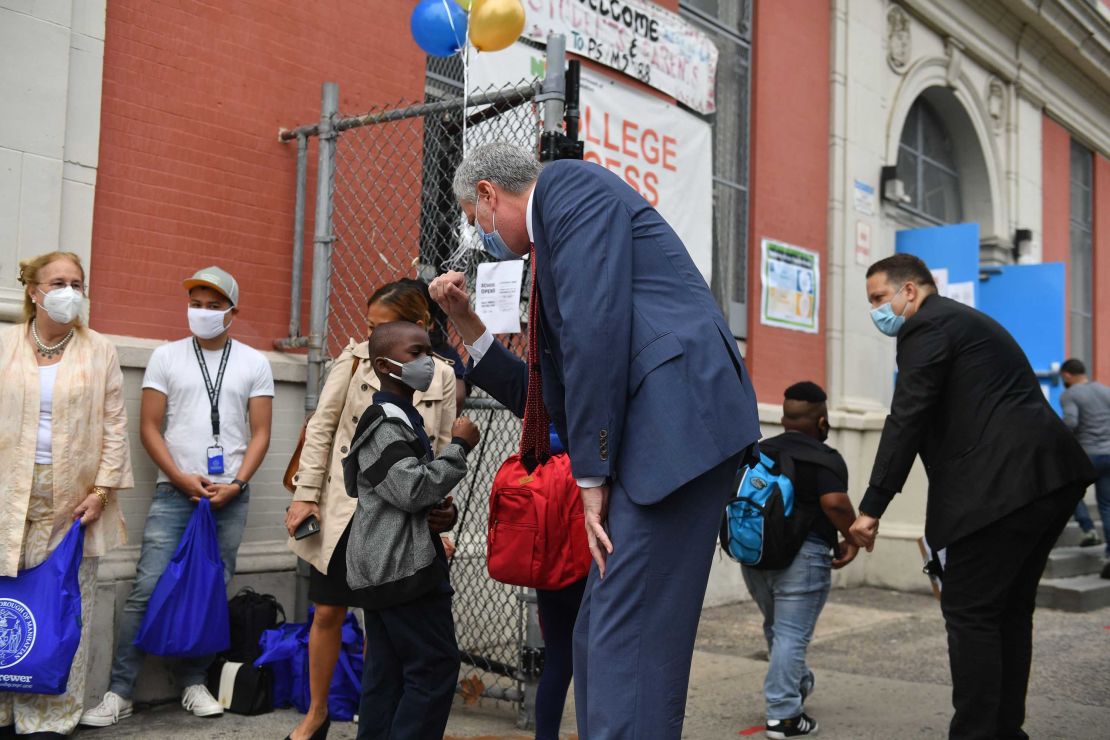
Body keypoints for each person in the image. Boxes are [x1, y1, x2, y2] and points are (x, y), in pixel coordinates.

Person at [430, 142, 761, 738]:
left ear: (488, 194)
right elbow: (547, 391)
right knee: (602, 635)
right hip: (665, 432)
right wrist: (465, 324)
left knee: (624, 636)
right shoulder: (558, 228)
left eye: (475, 220)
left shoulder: (568, 191)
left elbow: (592, 336)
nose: (480, 238)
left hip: (674, 428)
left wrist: (590, 475)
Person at [850, 253, 1095, 740]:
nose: (876, 311)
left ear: (911, 292)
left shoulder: (926, 327)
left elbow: (908, 416)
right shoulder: (967, 323)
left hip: (1005, 486)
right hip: (1047, 478)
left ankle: (979, 733)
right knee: (1007, 610)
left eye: (880, 298)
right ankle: (1005, 729)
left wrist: (872, 506)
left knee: (971, 612)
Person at [81, 266, 274, 728]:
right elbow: (149, 427)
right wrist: (181, 478)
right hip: (175, 493)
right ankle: (119, 691)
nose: (202, 313)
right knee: (146, 588)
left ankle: (193, 682)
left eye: (212, 306)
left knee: (209, 590)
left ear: (232, 312)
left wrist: (238, 484)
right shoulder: (167, 357)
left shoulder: (253, 362)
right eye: (196, 304)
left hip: (229, 496)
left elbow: (262, 432)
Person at [283, 281, 459, 740]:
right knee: (329, 610)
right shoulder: (358, 357)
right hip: (346, 510)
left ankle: (370, 723)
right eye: (369, 326)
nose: (368, 334)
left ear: (418, 325)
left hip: (405, 523)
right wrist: (305, 493)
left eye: (380, 326)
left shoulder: (439, 374)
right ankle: (316, 712)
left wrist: (442, 512)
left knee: (386, 645)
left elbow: (434, 453)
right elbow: (321, 425)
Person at [0, 251, 134, 738]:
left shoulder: (100, 350)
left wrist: (101, 491)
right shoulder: (4, 344)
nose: (70, 292)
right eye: (59, 282)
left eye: (78, 284)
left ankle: (50, 718)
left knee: (63, 607)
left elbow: (115, 426)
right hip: (5, 496)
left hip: (75, 503)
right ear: (34, 291)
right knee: (7, 603)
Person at [343, 321, 479, 740]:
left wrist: (442, 515)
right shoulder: (384, 422)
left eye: (430, 352)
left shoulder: (405, 418)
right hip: (401, 570)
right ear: (384, 365)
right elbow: (410, 487)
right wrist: (459, 447)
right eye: (416, 353)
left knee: (389, 673)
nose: (428, 362)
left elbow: (410, 494)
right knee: (434, 667)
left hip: (393, 564)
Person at [740, 382, 859, 739]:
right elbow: (835, 503)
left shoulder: (759, 451)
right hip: (803, 558)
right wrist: (852, 536)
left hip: (755, 555)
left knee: (778, 628)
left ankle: (798, 681)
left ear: (783, 418)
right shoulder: (824, 458)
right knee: (791, 634)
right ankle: (784, 716)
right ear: (822, 421)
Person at [1059, 358, 1110, 556]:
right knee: (1106, 505)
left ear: (1066, 375)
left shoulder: (1070, 394)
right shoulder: (1105, 390)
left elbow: (1071, 422)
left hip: (1088, 455)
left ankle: (1088, 529)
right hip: (1109, 453)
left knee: (1069, 490)